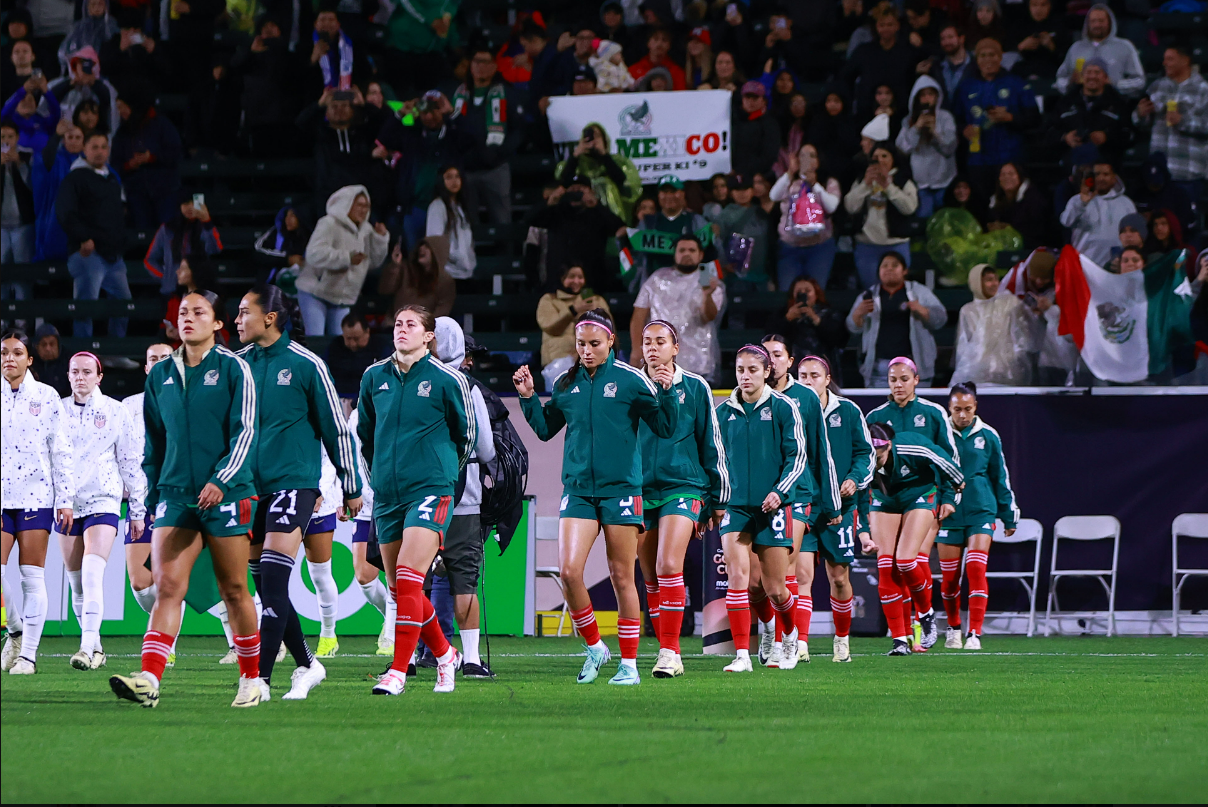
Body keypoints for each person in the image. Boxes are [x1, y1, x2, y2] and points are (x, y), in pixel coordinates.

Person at [108, 290, 263, 709]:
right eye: (182, 313)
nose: (188, 319)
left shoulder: (235, 369)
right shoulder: (159, 376)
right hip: (176, 498)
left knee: (234, 589)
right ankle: (149, 680)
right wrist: (156, 495)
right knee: (167, 588)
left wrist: (222, 479)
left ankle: (252, 679)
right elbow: (154, 445)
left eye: (199, 312)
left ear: (218, 324)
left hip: (227, 494)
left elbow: (246, 432)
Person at [514, 309, 676, 685]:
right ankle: (595, 647)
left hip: (621, 490)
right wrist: (526, 399)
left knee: (622, 577)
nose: (586, 350)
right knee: (570, 572)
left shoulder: (632, 380)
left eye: (594, 344)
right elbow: (544, 430)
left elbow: (665, 427)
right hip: (579, 492)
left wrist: (667, 392)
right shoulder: (565, 383)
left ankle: (630, 665)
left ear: (610, 343)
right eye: (581, 344)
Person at [234, 284, 361, 700]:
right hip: (249, 489)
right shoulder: (238, 366)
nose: (237, 321)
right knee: (266, 586)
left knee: (272, 577)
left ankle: (260, 681)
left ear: (269, 317)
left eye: (243, 313)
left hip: (295, 483)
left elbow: (335, 429)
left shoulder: (307, 365)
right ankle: (307, 664)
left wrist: (351, 484)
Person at [359, 305, 474, 696]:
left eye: (411, 324)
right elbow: (365, 434)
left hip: (430, 489)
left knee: (410, 576)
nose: (401, 329)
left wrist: (443, 475)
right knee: (401, 589)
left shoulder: (447, 379)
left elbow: (466, 435)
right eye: (397, 324)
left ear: (429, 336)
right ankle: (445, 656)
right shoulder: (374, 377)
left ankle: (398, 671)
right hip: (388, 495)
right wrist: (376, 478)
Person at [637, 320, 729, 678]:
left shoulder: (696, 387)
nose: (653, 348)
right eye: (647, 342)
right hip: (641, 490)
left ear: (676, 348)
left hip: (684, 486)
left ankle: (670, 653)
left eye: (661, 341)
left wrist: (715, 498)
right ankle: (665, 649)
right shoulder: (631, 386)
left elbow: (711, 443)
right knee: (649, 576)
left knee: (667, 565)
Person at [715, 344, 805, 673]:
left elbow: (797, 458)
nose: (746, 376)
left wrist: (780, 493)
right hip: (736, 508)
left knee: (774, 588)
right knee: (739, 579)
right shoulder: (723, 413)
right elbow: (714, 461)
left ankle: (789, 635)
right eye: (740, 370)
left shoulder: (784, 408)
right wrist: (714, 500)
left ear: (767, 372)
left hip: (774, 508)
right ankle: (742, 655)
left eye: (753, 370)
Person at [57, 350, 146, 670]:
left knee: (93, 572)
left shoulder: (116, 411)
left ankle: (84, 646)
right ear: (67, 376)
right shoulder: (58, 411)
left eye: (86, 372)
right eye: (74, 372)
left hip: (104, 501)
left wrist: (137, 510)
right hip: (67, 504)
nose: (80, 377)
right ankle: (95, 648)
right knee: (76, 582)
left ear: (99, 377)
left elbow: (131, 462)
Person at [759, 336, 840, 666]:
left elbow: (822, 452)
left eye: (778, 355)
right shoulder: (751, 395)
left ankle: (786, 641)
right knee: (757, 579)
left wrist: (831, 503)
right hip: (757, 496)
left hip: (796, 494)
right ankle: (769, 632)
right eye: (767, 355)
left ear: (789, 360)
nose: (773, 361)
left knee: (787, 568)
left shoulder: (806, 398)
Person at [1, 330, 74, 675]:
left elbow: (61, 450)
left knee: (31, 576)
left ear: (30, 360)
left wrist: (66, 499)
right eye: (3, 352)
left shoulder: (46, 397)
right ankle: (14, 629)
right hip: (1, 497)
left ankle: (27, 655)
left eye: (17, 352)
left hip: (35, 495)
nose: (8, 359)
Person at [798, 355, 876, 662]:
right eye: (802, 375)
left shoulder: (848, 411)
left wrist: (854, 480)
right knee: (802, 576)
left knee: (839, 578)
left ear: (827, 379)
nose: (807, 381)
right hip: (804, 505)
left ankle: (842, 639)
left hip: (841, 507)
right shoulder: (791, 408)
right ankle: (800, 643)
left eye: (814, 375)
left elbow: (866, 453)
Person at [431, 318, 497, 679]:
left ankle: (406, 659)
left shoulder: (403, 382)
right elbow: (486, 450)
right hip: (462, 498)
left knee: (412, 578)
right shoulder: (468, 388)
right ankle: (470, 658)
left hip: (417, 495)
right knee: (464, 579)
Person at [866, 419, 962, 655]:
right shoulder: (861, 454)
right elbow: (856, 488)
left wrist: (955, 488)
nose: (873, 463)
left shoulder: (913, 446)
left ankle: (926, 613)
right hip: (884, 499)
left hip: (918, 493)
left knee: (906, 560)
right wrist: (860, 529)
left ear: (887, 446)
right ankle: (899, 639)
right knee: (886, 564)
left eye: (877, 458)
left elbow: (946, 463)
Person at [940, 382, 1018, 650]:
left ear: (976, 407)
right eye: (957, 409)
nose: (963, 415)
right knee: (950, 580)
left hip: (981, 510)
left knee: (975, 568)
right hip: (947, 514)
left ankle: (975, 633)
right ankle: (953, 628)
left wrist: (1008, 515)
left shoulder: (988, 435)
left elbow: (1000, 477)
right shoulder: (940, 434)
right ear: (949, 408)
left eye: (968, 409)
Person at [122, 343, 173, 653]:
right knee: (141, 583)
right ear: (145, 367)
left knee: (218, 579)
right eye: (152, 358)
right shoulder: (128, 406)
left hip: (180, 500)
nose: (157, 363)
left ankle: (239, 645)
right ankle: (165, 629)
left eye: (165, 358)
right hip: (141, 503)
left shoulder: (188, 399)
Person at [55, 131, 131, 338]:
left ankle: (116, 352)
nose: (99, 152)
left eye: (103, 147)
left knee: (124, 304)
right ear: (84, 150)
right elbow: (65, 212)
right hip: (88, 254)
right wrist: (83, 238)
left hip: (113, 255)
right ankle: (83, 355)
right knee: (85, 307)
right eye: (94, 147)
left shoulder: (111, 180)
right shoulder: (75, 178)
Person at [631, 236, 726, 384]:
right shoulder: (656, 279)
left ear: (700, 255)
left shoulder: (708, 279)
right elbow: (638, 316)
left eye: (691, 250)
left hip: (698, 363)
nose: (686, 254)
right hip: (660, 361)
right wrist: (637, 350)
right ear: (675, 254)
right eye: (682, 250)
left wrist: (706, 295)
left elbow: (709, 317)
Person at [954, 38, 1040, 199]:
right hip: (978, 159)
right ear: (977, 60)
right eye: (983, 55)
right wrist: (963, 129)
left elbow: (1034, 119)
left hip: (1010, 157)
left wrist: (1010, 118)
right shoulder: (966, 86)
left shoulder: (1016, 83)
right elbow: (956, 119)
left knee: (1011, 202)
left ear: (1000, 57)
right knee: (981, 203)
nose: (988, 59)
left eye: (992, 55)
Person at [298, 185, 389, 336]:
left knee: (339, 342)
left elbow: (372, 262)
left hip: (342, 297)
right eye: (359, 205)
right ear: (347, 204)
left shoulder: (366, 230)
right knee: (316, 340)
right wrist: (347, 257)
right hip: (315, 292)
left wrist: (380, 239)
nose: (364, 209)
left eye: (367, 206)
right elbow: (314, 254)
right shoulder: (329, 223)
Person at [848, 252, 948, 389]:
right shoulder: (868, 295)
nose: (889, 269)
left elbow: (940, 320)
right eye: (885, 266)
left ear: (904, 271)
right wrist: (858, 314)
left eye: (895, 265)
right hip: (879, 369)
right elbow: (853, 327)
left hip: (914, 367)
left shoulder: (919, 291)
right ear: (878, 272)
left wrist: (922, 310)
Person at [451, 46, 524, 227]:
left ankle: (505, 254)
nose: (481, 67)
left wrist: (501, 152)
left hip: (496, 169)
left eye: (486, 62)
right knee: (467, 223)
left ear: (494, 67)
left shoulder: (507, 93)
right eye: (477, 62)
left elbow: (520, 129)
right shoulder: (458, 94)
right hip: (465, 170)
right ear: (470, 66)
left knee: (502, 221)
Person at [345, 406, 394, 656]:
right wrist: (346, 493)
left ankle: (395, 630)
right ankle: (391, 616)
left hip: (395, 500)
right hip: (366, 505)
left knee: (396, 572)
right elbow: (349, 455)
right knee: (364, 575)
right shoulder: (356, 417)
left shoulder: (399, 407)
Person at [1133, 45, 1208, 204]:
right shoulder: (1157, 86)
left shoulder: (1203, 90)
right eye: (1164, 59)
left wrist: (1183, 122)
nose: (1164, 63)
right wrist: (1140, 114)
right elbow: (1141, 123)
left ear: (1185, 60)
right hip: (1158, 173)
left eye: (1170, 59)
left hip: (1187, 172)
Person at [844, 143, 919, 289]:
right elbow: (850, 207)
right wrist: (866, 185)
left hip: (896, 244)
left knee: (895, 289)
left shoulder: (903, 180)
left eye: (884, 156)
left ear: (893, 159)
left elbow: (909, 208)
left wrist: (888, 187)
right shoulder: (862, 180)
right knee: (872, 291)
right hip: (867, 245)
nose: (880, 160)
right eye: (875, 156)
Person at [770, 144, 842, 290]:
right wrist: (790, 172)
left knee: (815, 292)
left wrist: (814, 184)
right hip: (789, 248)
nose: (806, 159)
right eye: (802, 155)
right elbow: (774, 195)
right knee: (788, 292)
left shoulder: (828, 182)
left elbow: (831, 206)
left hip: (819, 248)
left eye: (811, 155)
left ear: (819, 160)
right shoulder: (789, 182)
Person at [843, 2, 929, 123]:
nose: (886, 29)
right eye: (882, 25)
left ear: (897, 26)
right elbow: (846, 77)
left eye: (890, 24)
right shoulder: (864, 51)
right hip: (867, 115)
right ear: (876, 27)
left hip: (901, 115)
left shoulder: (908, 52)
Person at [952, 264, 1032, 386]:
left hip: (1008, 375)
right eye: (989, 280)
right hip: (976, 376)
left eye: (996, 279)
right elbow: (963, 347)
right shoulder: (967, 310)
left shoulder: (1010, 304)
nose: (995, 283)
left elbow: (1022, 338)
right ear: (977, 283)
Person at [537, 264, 613, 390]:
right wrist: (572, 311)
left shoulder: (596, 300)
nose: (576, 281)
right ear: (562, 279)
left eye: (580, 277)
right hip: (559, 362)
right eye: (571, 277)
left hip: (593, 362)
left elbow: (608, 330)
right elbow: (549, 326)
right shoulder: (549, 300)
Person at [1047, 58, 1132, 170]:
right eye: (1088, 72)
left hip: (1107, 166)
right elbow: (1048, 131)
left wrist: (1106, 137)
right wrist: (1065, 137)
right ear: (1082, 77)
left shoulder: (1118, 103)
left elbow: (1129, 134)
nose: (1092, 76)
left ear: (1105, 78)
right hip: (1072, 166)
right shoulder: (1066, 102)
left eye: (1097, 72)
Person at [629, 175, 709, 291]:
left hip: (689, 287)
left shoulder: (696, 221)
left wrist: (705, 285)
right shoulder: (647, 223)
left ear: (682, 194)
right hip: (655, 286)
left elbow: (708, 256)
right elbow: (636, 256)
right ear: (659, 195)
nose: (669, 196)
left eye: (673, 191)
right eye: (664, 192)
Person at [553, 122, 641, 224]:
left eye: (597, 136)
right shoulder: (572, 164)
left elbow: (624, 184)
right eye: (589, 136)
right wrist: (576, 154)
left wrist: (604, 155)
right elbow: (563, 184)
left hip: (611, 219)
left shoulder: (618, 162)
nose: (592, 140)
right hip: (578, 221)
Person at [895, 76, 956, 219]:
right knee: (924, 218)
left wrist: (935, 133)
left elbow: (950, 148)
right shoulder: (909, 120)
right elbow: (902, 149)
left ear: (937, 96)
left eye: (930, 94)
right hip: (921, 184)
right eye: (923, 95)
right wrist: (916, 128)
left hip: (945, 181)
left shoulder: (945, 117)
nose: (927, 98)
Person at [1054, 4, 1145, 99]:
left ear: (1110, 22)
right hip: (1080, 103)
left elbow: (1139, 80)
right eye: (1093, 21)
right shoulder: (1076, 48)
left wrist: (1116, 84)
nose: (1097, 25)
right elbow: (1060, 79)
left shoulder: (1125, 46)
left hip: (1115, 102)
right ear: (1087, 24)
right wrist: (1069, 83)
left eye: (1101, 21)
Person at [144, 192, 223, 297]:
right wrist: (167, 277)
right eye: (185, 204)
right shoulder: (167, 229)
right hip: (171, 292)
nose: (189, 207)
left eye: (193, 203)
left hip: (200, 290)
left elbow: (215, 249)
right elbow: (150, 260)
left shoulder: (205, 227)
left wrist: (206, 221)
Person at [1059, 161, 1136, 267]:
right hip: (1086, 266)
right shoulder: (1077, 200)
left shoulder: (1126, 203)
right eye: (1097, 174)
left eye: (1106, 174)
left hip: (1116, 266)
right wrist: (1082, 203)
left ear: (1114, 177)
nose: (1101, 178)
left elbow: (1134, 234)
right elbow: (1066, 222)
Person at [776, 277, 849, 385]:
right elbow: (772, 337)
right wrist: (788, 319)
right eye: (799, 292)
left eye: (807, 291)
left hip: (822, 369)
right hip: (792, 372)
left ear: (816, 293)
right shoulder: (782, 314)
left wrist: (815, 318)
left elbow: (838, 338)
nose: (803, 294)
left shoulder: (829, 314)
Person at [324, 313, 390, 415]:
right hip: (337, 400)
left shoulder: (381, 347)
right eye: (348, 338)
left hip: (369, 401)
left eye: (356, 339)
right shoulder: (335, 347)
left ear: (367, 332)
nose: (353, 343)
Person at [378, 235, 456, 318]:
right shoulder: (405, 269)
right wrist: (395, 266)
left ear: (438, 253)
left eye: (427, 247)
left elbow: (441, 313)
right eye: (421, 245)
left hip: (425, 328)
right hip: (396, 325)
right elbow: (384, 289)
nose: (421, 248)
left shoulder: (446, 281)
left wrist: (423, 327)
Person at [426, 165, 475, 281]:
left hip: (465, 272)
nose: (454, 181)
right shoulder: (437, 206)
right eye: (449, 177)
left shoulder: (460, 207)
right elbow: (435, 241)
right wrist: (455, 257)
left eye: (457, 176)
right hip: (447, 273)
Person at [986, 162, 1049, 251]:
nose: (1007, 177)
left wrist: (1008, 228)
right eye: (1003, 174)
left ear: (1020, 176)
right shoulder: (996, 201)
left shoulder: (1034, 199)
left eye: (1011, 174)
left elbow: (1037, 231)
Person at [1, 121, 36, 270]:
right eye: (2, 137)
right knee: (2, 275)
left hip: (23, 226)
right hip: (1, 228)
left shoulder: (27, 157)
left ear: (17, 138)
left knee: (22, 273)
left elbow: (33, 186)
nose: (6, 141)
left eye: (10, 136)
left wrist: (20, 164)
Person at [731, 81, 781, 179]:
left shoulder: (770, 124)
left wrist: (743, 171)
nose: (750, 102)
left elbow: (769, 156)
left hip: (758, 176)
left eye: (755, 98)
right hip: (733, 173)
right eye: (747, 97)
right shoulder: (733, 120)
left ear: (764, 100)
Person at [1009, 0, 1069, 81]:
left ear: (1050, 6)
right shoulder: (1019, 24)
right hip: (1024, 67)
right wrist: (1021, 46)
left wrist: (1051, 45)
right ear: (1029, 6)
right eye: (1034, 5)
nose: (1038, 9)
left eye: (1043, 5)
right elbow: (1006, 54)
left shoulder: (1060, 24)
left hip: (1051, 68)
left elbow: (1067, 57)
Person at [56, 0, 119, 75]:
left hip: (104, 70)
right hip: (78, 70)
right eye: (93, 4)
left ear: (106, 6)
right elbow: (64, 50)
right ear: (87, 7)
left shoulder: (111, 25)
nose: (96, 7)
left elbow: (114, 49)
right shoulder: (78, 26)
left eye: (100, 4)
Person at [3, 75, 62, 153]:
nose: (27, 103)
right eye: (23, 99)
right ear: (16, 105)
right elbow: (5, 112)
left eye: (30, 100)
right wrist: (23, 90)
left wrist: (46, 91)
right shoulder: (9, 121)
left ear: (35, 105)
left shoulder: (43, 122)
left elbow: (56, 113)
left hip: (42, 162)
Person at [931, 24, 973, 110]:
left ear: (961, 39)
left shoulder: (975, 65)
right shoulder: (936, 67)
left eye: (950, 37)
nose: (946, 42)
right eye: (943, 38)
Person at [30, 322, 70, 396]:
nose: (48, 349)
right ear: (36, 347)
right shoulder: (30, 366)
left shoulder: (69, 363)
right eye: (44, 345)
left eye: (52, 344)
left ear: (58, 346)